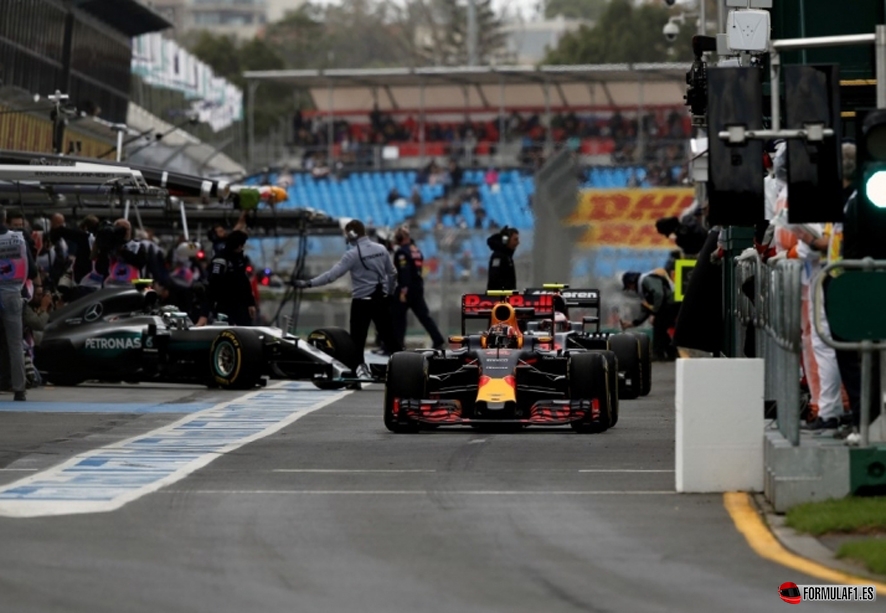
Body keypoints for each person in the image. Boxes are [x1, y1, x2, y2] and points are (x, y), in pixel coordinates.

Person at [293, 219, 400, 380]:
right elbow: (392, 273)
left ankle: (356, 376)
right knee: (390, 339)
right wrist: (389, 294)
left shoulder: (352, 254)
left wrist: (308, 283)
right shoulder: (381, 249)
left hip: (361, 303)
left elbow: (331, 276)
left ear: (351, 234)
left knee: (356, 342)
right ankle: (407, 368)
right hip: (380, 300)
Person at [0, 207, 36, 400]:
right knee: (15, 344)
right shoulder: (18, 238)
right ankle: (19, 389)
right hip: (13, 292)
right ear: (5, 218)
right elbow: (28, 268)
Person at [392, 226, 445, 351]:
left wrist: (404, 290)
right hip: (417, 287)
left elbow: (405, 272)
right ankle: (438, 339)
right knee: (424, 316)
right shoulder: (416, 250)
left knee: (397, 316)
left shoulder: (402, 253)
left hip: (407, 288)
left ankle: (397, 344)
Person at [197, 230, 255, 327]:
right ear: (238, 245)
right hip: (224, 305)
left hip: (241, 305)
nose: (242, 248)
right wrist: (204, 314)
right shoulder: (220, 260)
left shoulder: (240, 259)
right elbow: (212, 287)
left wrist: (250, 303)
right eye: (241, 245)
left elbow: (244, 281)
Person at [620, 268, 679, 361]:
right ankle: (670, 352)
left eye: (629, 287)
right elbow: (646, 309)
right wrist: (633, 323)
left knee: (659, 325)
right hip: (665, 306)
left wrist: (655, 311)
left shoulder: (646, 280)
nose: (631, 290)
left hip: (671, 304)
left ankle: (660, 353)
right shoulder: (643, 290)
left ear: (631, 282)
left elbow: (659, 294)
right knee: (660, 327)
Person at [486, 226, 519, 291]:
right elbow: (494, 279)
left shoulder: (507, 256)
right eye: (515, 239)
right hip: (498, 298)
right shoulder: (498, 256)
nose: (517, 243)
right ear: (506, 240)